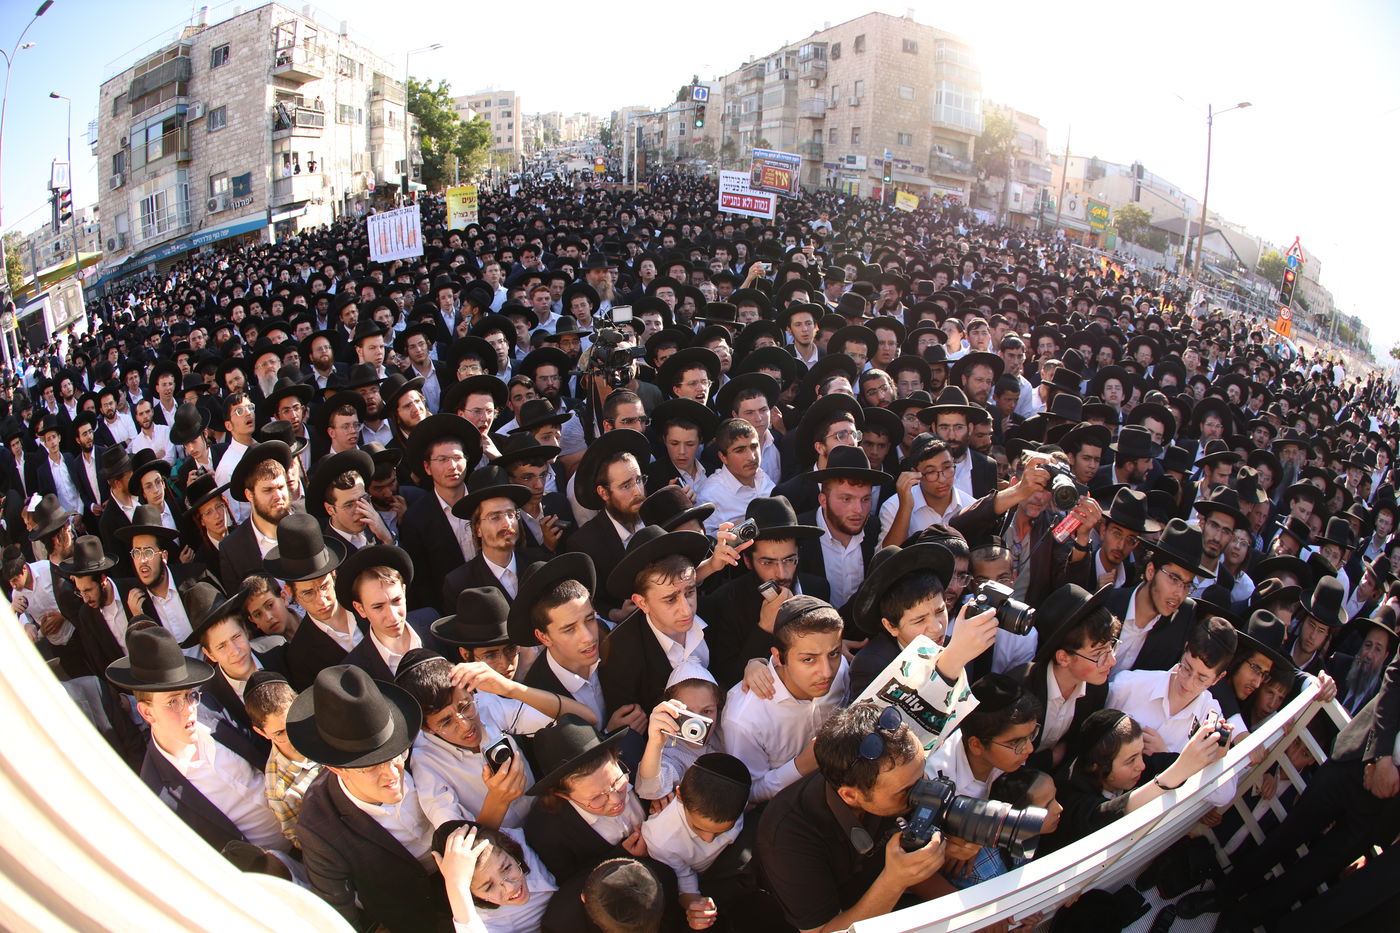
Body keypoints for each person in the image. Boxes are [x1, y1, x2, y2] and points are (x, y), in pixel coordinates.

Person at [756, 701, 950, 932]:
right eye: (907, 791)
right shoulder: (788, 835)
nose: (922, 792)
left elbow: (915, 868)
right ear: (849, 795)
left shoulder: (893, 787)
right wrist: (894, 880)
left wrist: (976, 909)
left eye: (921, 777)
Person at [288, 664, 455, 932]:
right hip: (415, 919)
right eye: (371, 766)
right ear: (336, 768)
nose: (391, 774)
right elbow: (337, 917)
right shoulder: (318, 826)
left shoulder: (425, 746)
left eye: (395, 756)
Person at [104, 626, 289, 854]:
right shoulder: (158, 794)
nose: (189, 709)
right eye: (173, 702)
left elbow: (260, 750)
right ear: (147, 713)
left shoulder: (208, 706)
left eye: (190, 695)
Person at [720, 596, 849, 803]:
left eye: (833, 653)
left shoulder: (841, 669)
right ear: (778, 657)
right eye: (809, 659)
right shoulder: (744, 719)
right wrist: (800, 766)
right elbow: (749, 793)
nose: (826, 672)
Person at [1044, 708, 1228, 853]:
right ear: (1096, 766)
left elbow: (1173, 765)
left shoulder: (1138, 766)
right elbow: (1105, 814)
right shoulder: (1067, 792)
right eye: (1130, 760)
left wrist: (1213, 753)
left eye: (1141, 754)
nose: (1141, 766)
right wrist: (1175, 774)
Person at [522, 715, 649, 888]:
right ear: (564, 796)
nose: (615, 799)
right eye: (596, 798)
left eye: (617, 781)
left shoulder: (636, 754)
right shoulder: (547, 832)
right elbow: (572, 884)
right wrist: (621, 857)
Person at [640, 753, 752, 930]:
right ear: (680, 796)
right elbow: (683, 879)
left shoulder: (734, 796)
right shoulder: (660, 839)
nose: (708, 839)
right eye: (698, 828)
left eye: (720, 832)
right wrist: (696, 907)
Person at [244, 669, 320, 844]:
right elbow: (301, 840)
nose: (292, 736)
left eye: (293, 722)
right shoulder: (278, 790)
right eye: (280, 733)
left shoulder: (324, 722)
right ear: (262, 733)